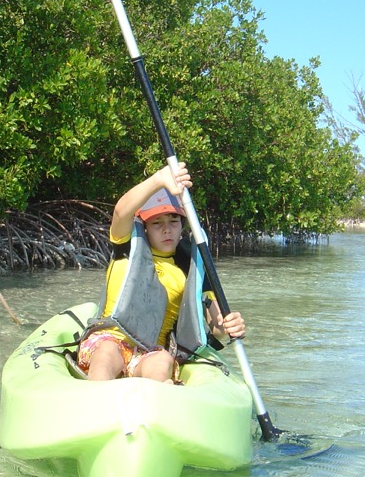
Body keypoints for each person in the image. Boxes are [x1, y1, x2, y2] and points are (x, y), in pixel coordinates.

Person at [77, 163, 246, 383]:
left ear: (182, 225)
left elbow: (216, 326)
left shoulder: (190, 266)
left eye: (173, 221)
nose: (167, 229)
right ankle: (97, 399)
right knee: (108, 351)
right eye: (157, 223)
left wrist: (227, 327)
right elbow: (120, 212)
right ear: (145, 228)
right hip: (109, 339)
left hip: (150, 351)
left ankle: (159, 401)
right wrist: (159, 178)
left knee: (163, 360)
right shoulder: (126, 247)